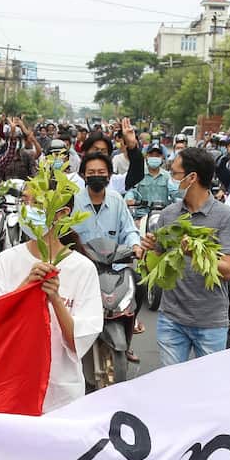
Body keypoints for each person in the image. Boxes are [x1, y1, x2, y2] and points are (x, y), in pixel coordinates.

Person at [0, 185, 102, 412]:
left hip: (62, 395)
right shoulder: (7, 260)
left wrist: (56, 299)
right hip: (10, 388)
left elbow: (79, 343)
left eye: (37, 204)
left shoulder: (83, 268)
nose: (27, 209)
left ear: (63, 214)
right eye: (25, 201)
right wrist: (25, 287)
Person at [135, 147, 230, 366]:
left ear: (192, 177)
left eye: (175, 174)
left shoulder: (225, 216)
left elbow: (228, 270)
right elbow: (158, 264)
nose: (171, 179)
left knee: (208, 390)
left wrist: (196, 253)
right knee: (172, 387)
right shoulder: (169, 214)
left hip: (210, 321)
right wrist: (149, 249)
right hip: (171, 318)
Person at [73, 151, 144, 361]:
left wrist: (136, 246)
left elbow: (129, 229)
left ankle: (129, 333)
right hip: (81, 268)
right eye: (91, 172)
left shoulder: (116, 201)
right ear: (83, 175)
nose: (97, 176)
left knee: (139, 284)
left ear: (109, 175)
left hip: (113, 268)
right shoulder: (72, 201)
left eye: (101, 172)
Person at [126, 142, 179, 209]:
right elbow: (132, 191)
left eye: (157, 156)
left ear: (162, 157)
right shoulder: (139, 174)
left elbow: (174, 194)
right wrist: (129, 198)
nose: (154, 157)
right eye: (151, 155)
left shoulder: (167, 176)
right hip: (141, 214)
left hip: (161, 214)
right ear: (146, 156)